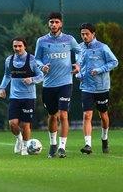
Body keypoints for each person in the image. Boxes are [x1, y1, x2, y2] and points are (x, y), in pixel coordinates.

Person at [34, 12, 80, 158]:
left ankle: (62, 147)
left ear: (61, 24)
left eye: (56, 22)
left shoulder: (69, 39)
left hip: (65, 83)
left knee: (63, 114)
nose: (53, 24)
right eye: (51, 22)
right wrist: (42, 67)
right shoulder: (41, 41)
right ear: (48, 24)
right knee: (52, 116)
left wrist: (78, 64)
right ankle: (53, 144)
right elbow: (37, 59)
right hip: (49, 85)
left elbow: (79, 51)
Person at [76, 23, 119, 154]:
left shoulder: (103, 47)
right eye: (82, 34)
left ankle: (104, 138)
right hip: (86, 87)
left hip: (101, 87)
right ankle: (88, 145)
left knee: (103, 115)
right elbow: (78, 66)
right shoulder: (79, 48)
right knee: (87, 115)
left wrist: (100, 70)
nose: (84, 36)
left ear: (93, 34)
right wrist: (79, 74)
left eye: (87, 34)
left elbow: (114, 62)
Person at [0, 37, 44, 155]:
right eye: (15, 46)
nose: (17, 48)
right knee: (12, 124)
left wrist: (32, 79)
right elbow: (7, 75)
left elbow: (41, 76)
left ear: (24, 46)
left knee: (25, 124)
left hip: (29, 97)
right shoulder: (9, 60)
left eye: (19, 46)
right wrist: (2, 87)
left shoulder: (32, 60)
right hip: (14, 97)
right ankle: (19, 139)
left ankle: (25, 147)